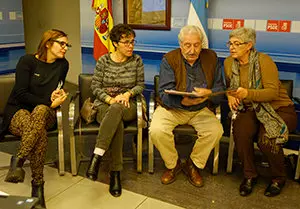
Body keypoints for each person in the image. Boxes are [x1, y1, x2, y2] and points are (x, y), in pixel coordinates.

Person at [0, 29, 70, 208]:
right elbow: (21, 94)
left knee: (39, 112)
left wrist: (56, 95)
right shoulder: (27, 61)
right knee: (38, 132)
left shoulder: (63, 65)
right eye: (61, 43)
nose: (65, 48)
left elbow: (56, 87)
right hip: (19, 110)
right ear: (48, 43)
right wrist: (48, 101)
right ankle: (37, 187)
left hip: (45, 111)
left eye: (66, 45)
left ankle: (19, 158)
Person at [224, 27, 297, 197]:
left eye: (236, 44)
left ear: (249, 45)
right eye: (230, 43)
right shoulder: (229, 63)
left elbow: (272, 93)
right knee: (240, 132)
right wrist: (230, 96)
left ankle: (278, 178)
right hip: (250, 108)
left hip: (279, 108)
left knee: (266, 138)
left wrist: (248, 93)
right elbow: (230, 87)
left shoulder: (264, 61)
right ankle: (250, 175)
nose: (231, 47)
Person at [149, 25, 224, 187]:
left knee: (215, 130)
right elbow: (163, 93)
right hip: (173, 109)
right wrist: (182, 101)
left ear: (201, 44)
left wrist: (209, 92)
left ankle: (193, 164)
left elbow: (220, 89)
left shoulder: (211, 57)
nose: (192, 50)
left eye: (196, 45)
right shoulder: (169, 59)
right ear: (180, 44)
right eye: (187, 45)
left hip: (200, 109)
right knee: (156, 130)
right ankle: (173, 165)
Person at [86, 24, 144, 197]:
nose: (130, 46)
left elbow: (140, 85)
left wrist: (127, 94)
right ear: (115, 43)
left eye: (132, 42)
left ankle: (97, 156)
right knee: (115, 119)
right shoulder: (104, 60)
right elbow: (95, 87)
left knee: (118, 109)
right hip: (105, 105)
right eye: (126, 42)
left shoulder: (136, 60)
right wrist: (110, 100)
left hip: (129, 105)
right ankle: (116, 173)